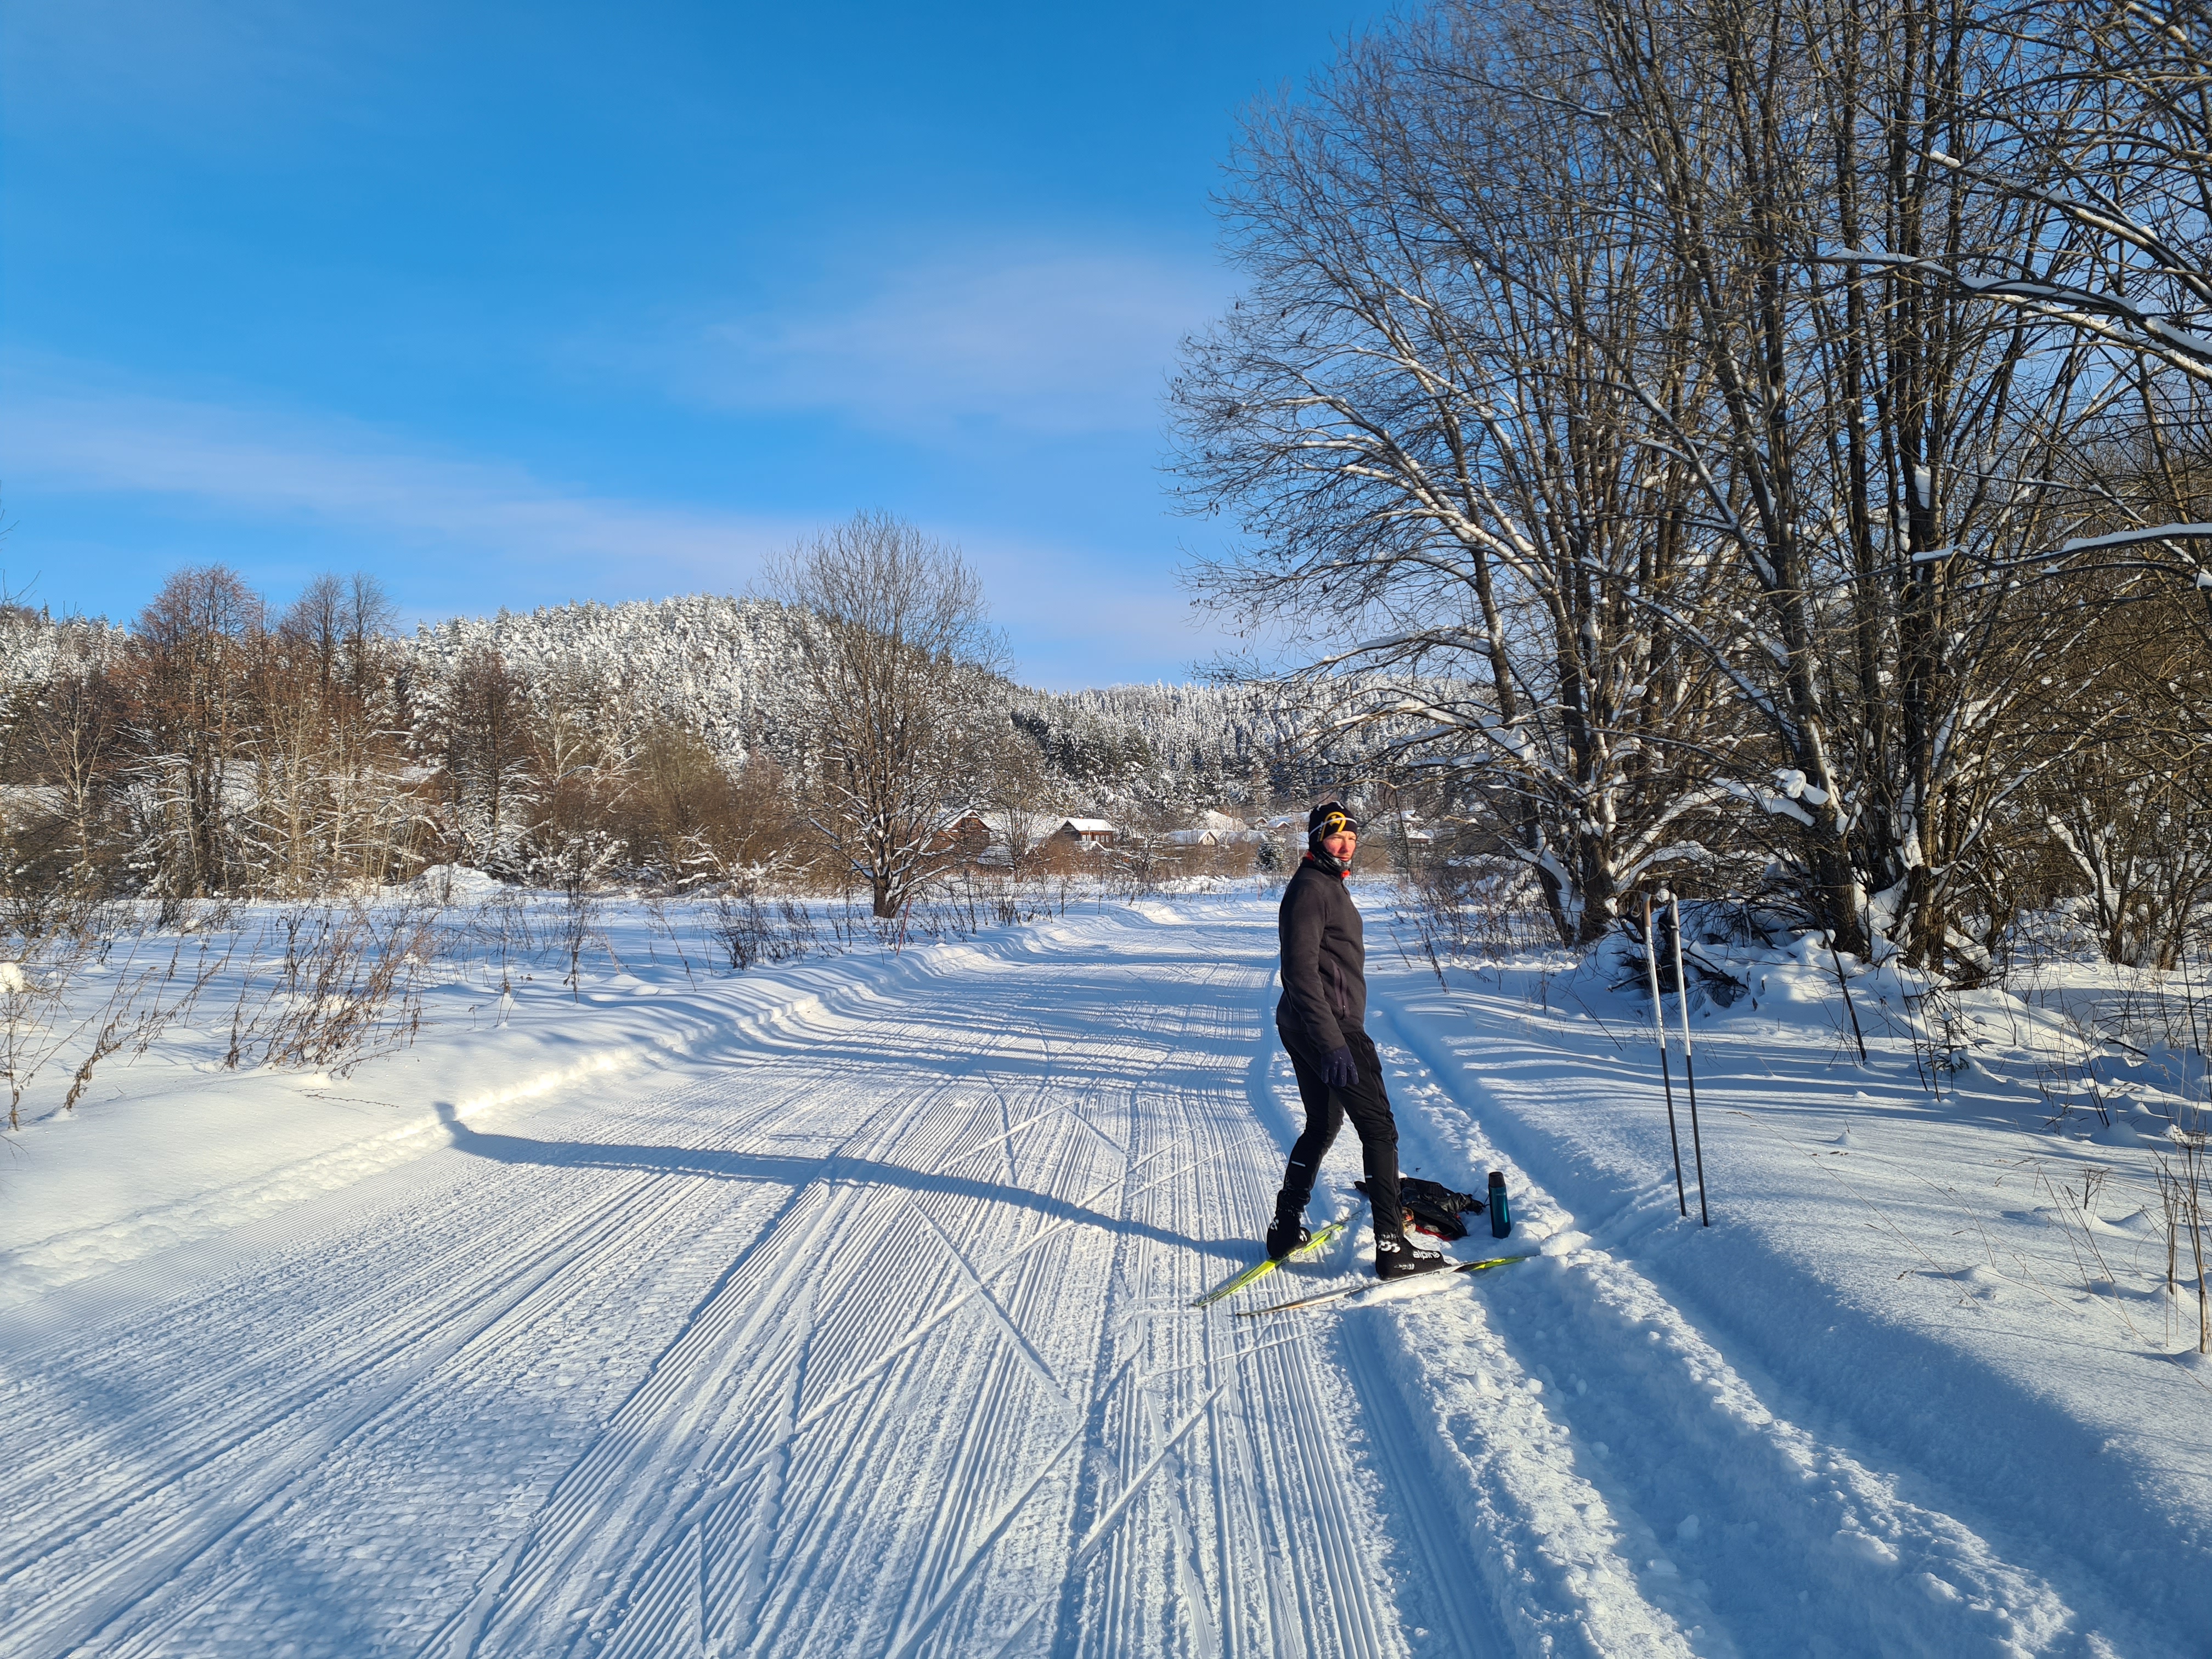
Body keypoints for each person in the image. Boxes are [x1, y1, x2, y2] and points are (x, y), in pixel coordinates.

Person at [1268, 802, 1445, 1279]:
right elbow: (1299, 971)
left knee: (1322, 1125)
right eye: (1336, 837)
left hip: (1309, 1025)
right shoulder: (1311, 888)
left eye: (1351, 838)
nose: (1346, 846)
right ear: (1317, 839)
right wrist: (1332, 1043)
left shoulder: (1326, 883)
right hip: (1331, 1028)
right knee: (1379, 1131)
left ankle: (1285, 1229)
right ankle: (1392, 1246)